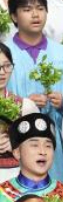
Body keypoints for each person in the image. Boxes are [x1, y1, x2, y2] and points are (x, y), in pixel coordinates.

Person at [5, 0, 63, 187]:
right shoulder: (4, 54)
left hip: (54, 139)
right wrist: (23, 104)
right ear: (14, 16)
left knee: (55, 198)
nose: (35, 14)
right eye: (27, 9)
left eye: (40, 8)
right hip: (12, 141)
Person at [0, 44, 36, 186]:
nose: (2, 72)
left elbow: (40, 146)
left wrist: (15, 144)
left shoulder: (26, 106)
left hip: (17, 178)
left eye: (7, 66)